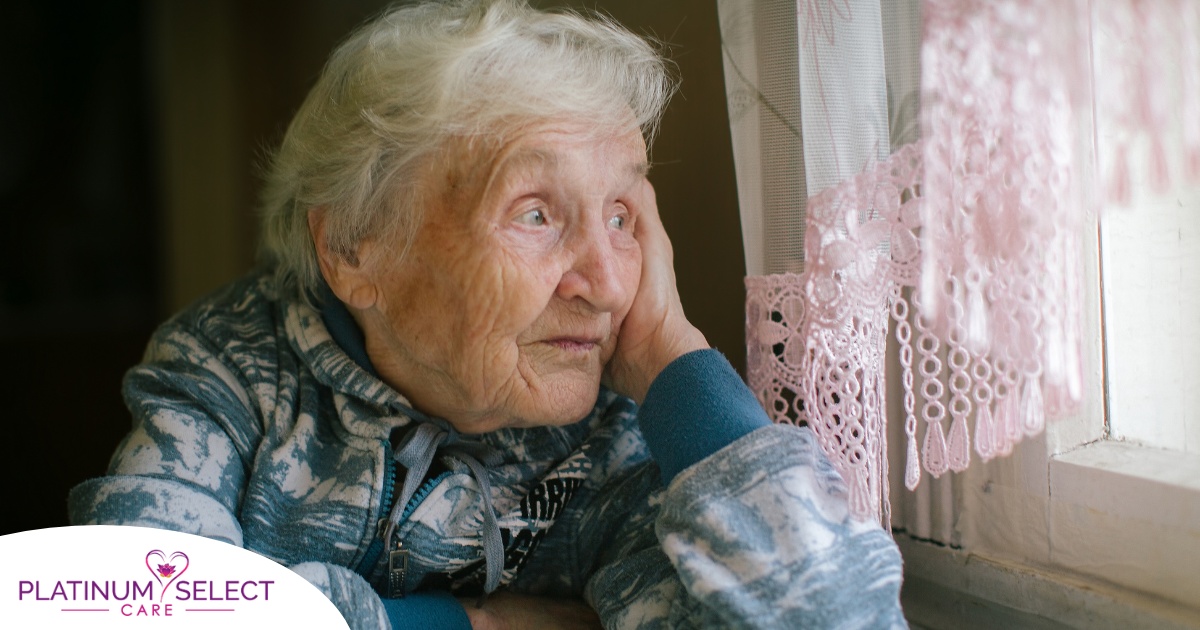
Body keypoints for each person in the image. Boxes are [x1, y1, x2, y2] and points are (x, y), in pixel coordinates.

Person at [69, 1, 907, 628]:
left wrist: (674, 359)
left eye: (621, 214)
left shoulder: (617, 433)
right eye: (536, 212)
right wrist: (468, 623)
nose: (609, 286)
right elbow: (115, 605)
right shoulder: (230, 372)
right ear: (355, 247)